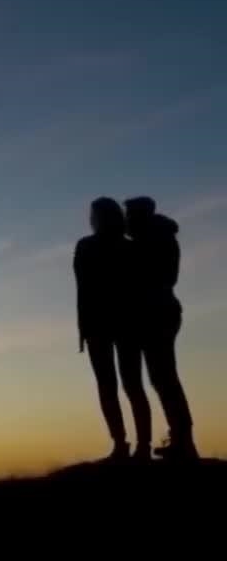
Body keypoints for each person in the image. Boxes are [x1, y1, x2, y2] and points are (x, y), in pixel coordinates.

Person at [73, 197, 151, 461]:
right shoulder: (127, 247)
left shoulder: (91, 246)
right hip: (111, 325)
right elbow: (83, 290)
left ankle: (132, 445)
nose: (91, 219)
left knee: (121, 386)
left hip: (114, 324)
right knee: (124, 385)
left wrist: (84, 327)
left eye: (93, 215)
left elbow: (84, 290)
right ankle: (130, 445)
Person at [124, 196, 198, 461]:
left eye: (129, 215)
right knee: (164, 379)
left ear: (139, 216)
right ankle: (181, 439)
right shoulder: (158, 237)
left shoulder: (152, 240)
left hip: (157, 313)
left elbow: (158, 277)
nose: (126, 221)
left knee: (164, 379)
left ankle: (183, 442)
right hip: (161, 311)